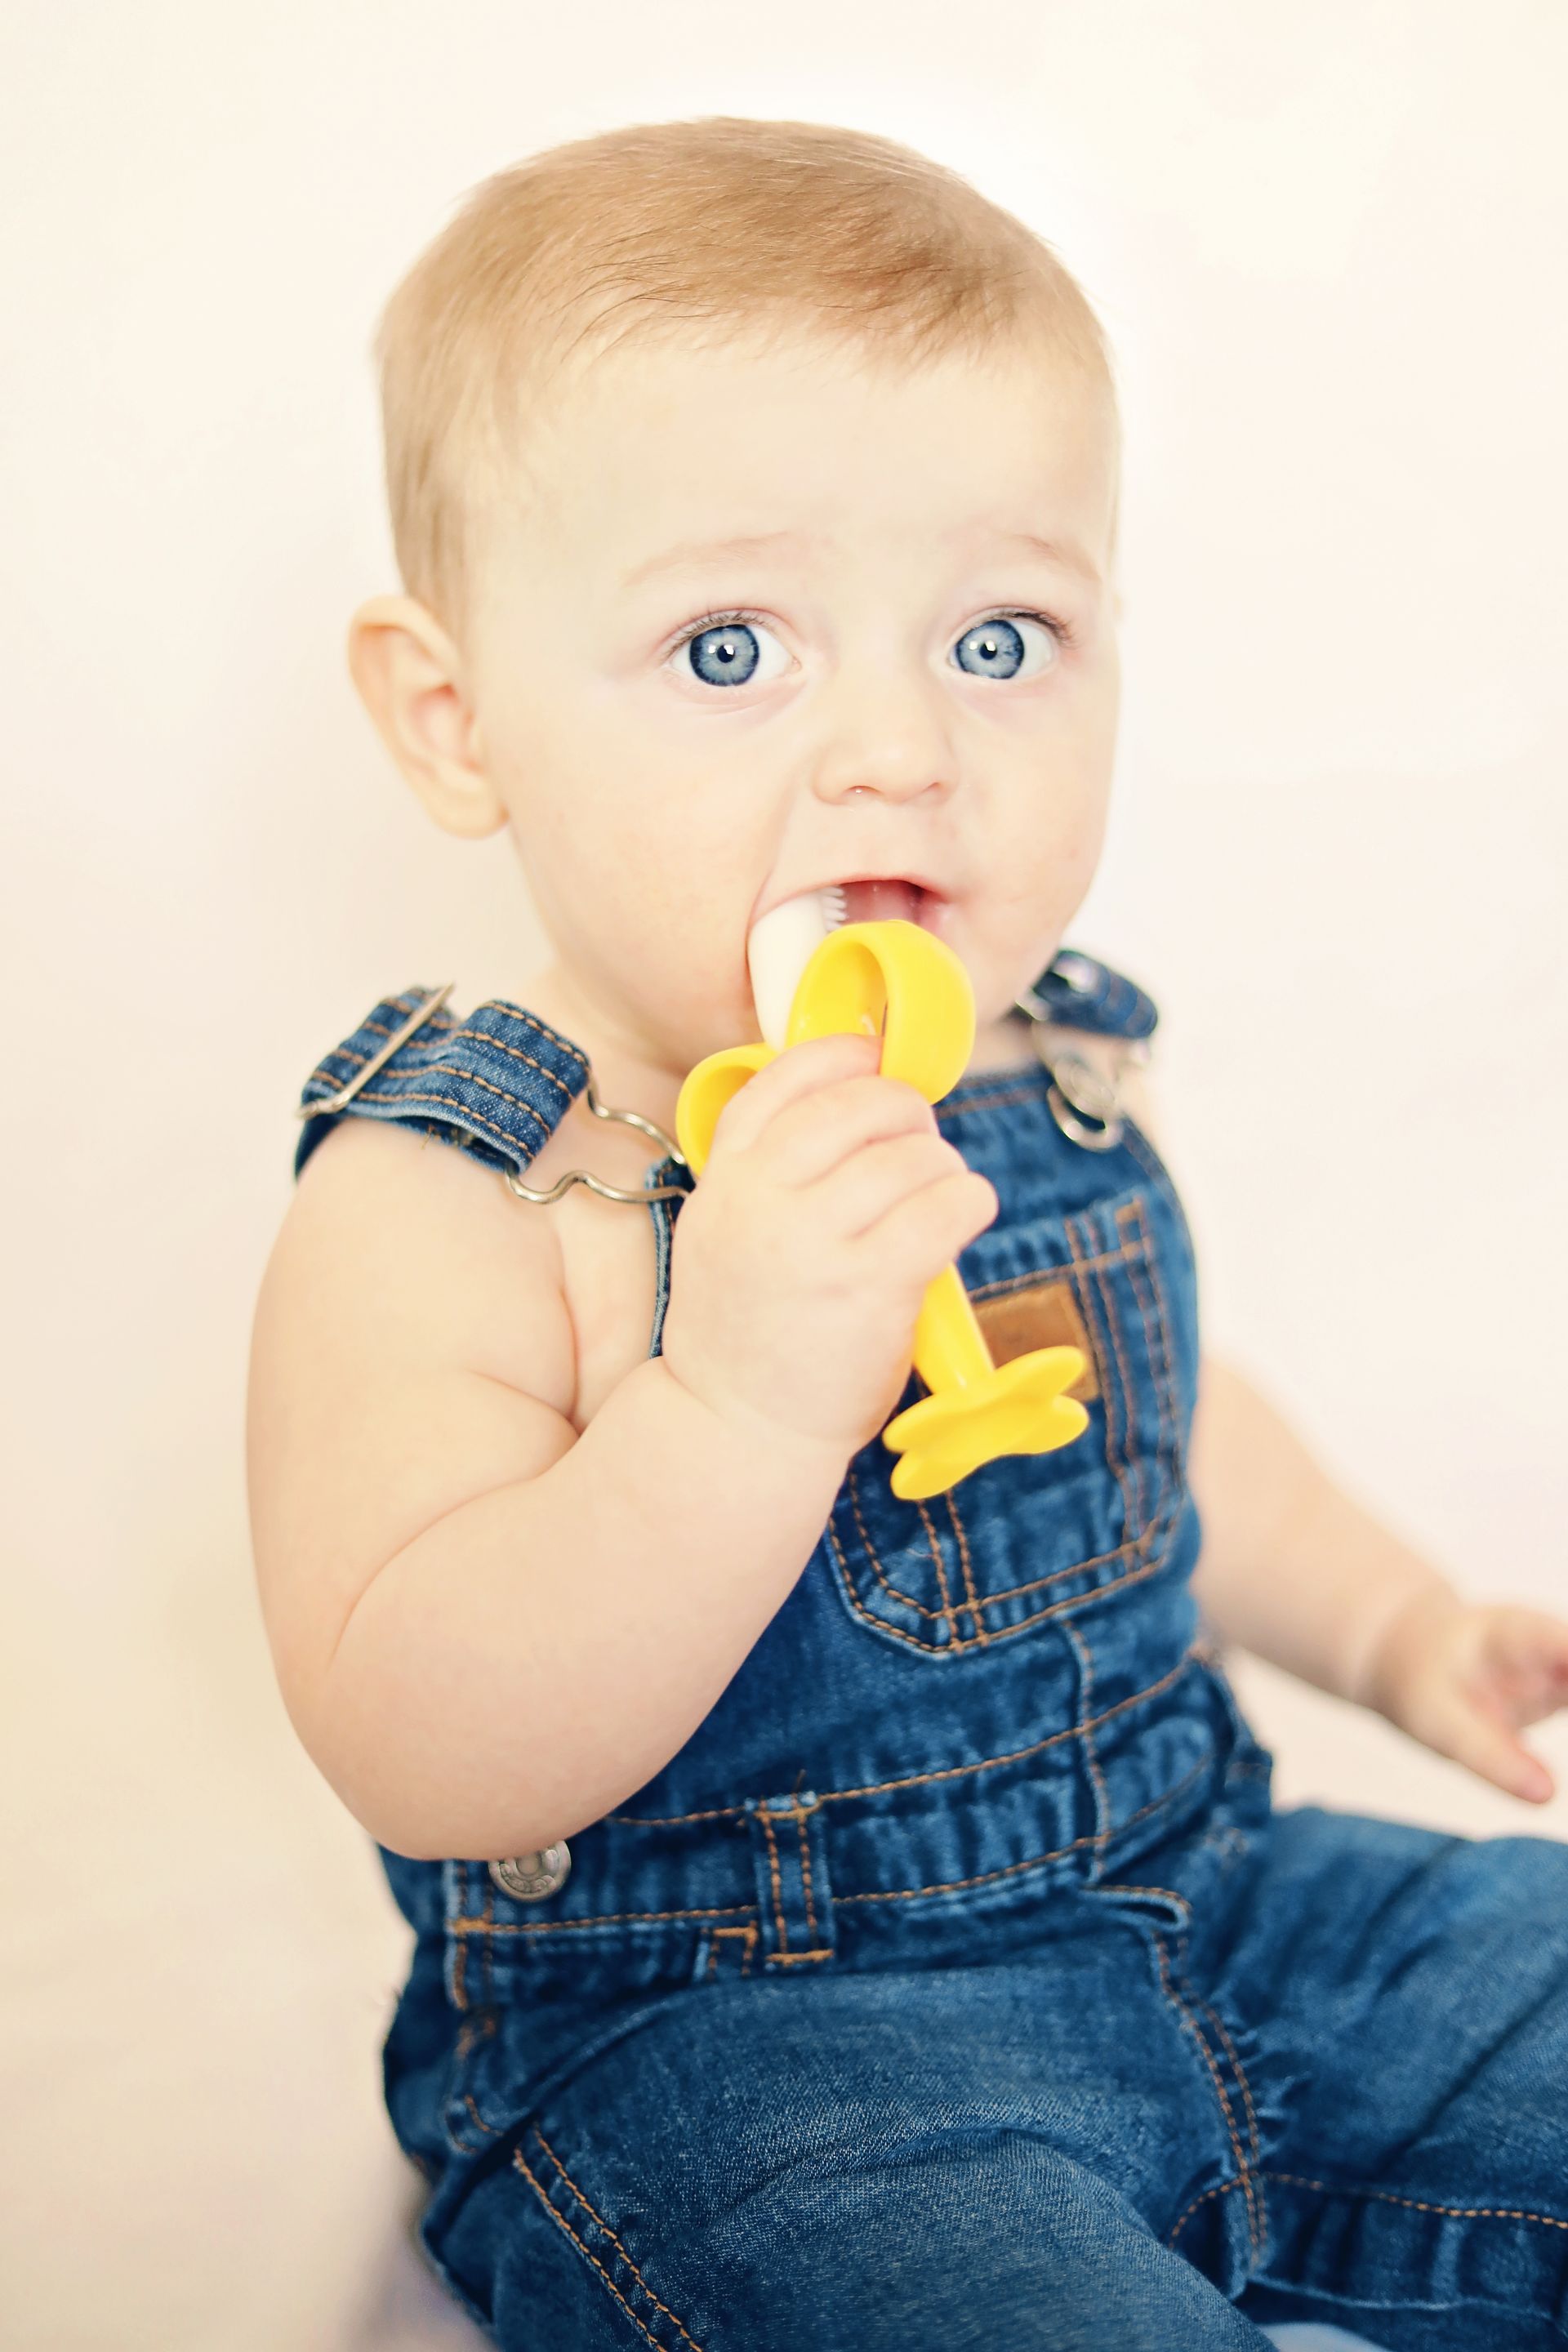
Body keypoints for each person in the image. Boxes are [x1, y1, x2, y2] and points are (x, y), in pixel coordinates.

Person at [245, 117, 1568, 2350]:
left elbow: (1149, 1430)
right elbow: (418, 1730)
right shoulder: (465, 1191)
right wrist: (738, 1398)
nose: (903, 748)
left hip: (1214, 1899)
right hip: (740, 2054)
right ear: (456, 720)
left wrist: (1394, 1626)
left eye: (998, 632)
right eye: (735, 647)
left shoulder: (1036, 1070)